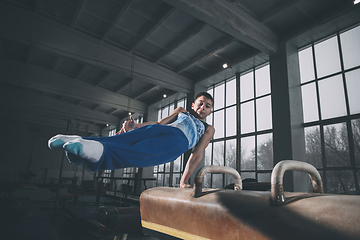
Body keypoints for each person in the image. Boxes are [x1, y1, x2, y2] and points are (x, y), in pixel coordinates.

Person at [48, 92, 215, 188]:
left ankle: (83, 148)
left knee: (141, 151)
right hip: (163, 130)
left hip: (178, 142)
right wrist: (136, 126)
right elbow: (158, 123)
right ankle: (82, 143)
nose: (203, 108)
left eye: (207, 106)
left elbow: (197, 155)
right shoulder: (181, 111)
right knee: (125, 139)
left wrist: (184, 180)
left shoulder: (208, 129)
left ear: (210, 111)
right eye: (200, 104)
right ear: (193, 105)